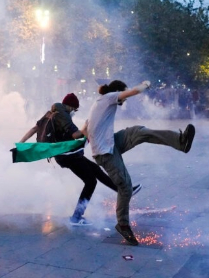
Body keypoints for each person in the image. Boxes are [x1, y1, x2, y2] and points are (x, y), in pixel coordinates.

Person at [85, 80, 196, 246]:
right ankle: (122, 224)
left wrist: (80, 139)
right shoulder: (109, 97)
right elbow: (133, 92)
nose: (124, 102)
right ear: (118, 92)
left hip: (111, 144)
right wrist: (145, 84)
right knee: (125, 187)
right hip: (105, 153)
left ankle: (181, 142)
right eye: (123, 96)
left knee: (139, 132)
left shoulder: (100, 102)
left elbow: (85, 128)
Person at [19, 93, 141, 226]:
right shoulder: (63, 115)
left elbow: (34, 128)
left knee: (95, 170)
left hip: (68, 154)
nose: (74, 112)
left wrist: (22, 143)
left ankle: (123, 190)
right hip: (68, 155)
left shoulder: (51, 113)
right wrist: (90, 125)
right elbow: (76, 134)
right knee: (91, 182)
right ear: (70, 107)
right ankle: (76, 217)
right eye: (75, 110)